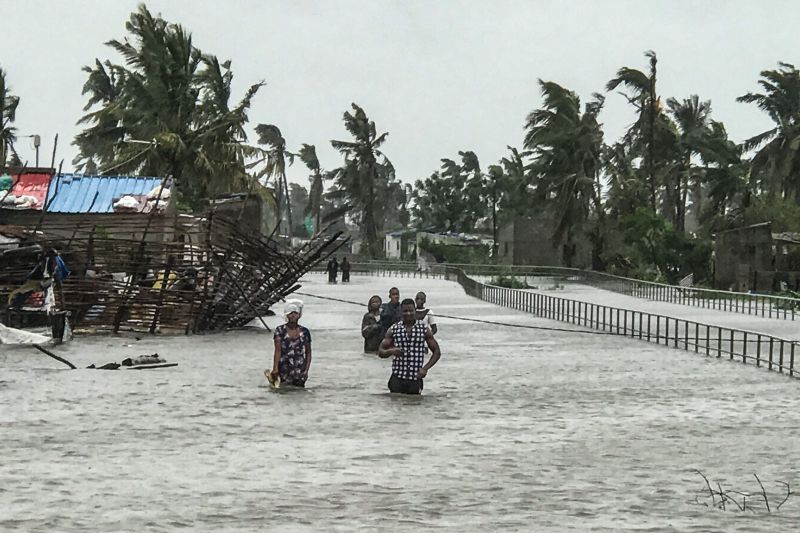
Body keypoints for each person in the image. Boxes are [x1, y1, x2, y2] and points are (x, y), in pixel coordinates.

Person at [378, 298, 441, 394]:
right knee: (395, 402)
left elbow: (437, 352)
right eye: (405, 311)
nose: (408, 313)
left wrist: (425, 369)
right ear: (401, 312)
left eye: (411, 311)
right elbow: (381, 351)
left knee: (415, 402)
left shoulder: (423, 329)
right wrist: (391, 351)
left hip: (415, 379)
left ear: (415, 311)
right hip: (397, 378)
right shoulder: (394, 329)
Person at [269, 299, 312, 387]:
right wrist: (275, 368)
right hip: (283, 366)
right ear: (287, 315)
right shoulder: (280, 330)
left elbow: (308, 352)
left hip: (299, 368)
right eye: (290, 313)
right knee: (283, 390)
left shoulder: (305, 331)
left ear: (299, 315)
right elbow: (277, 351)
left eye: (295, 313)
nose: (293, 315)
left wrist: (306, 371)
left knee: (299, 391)